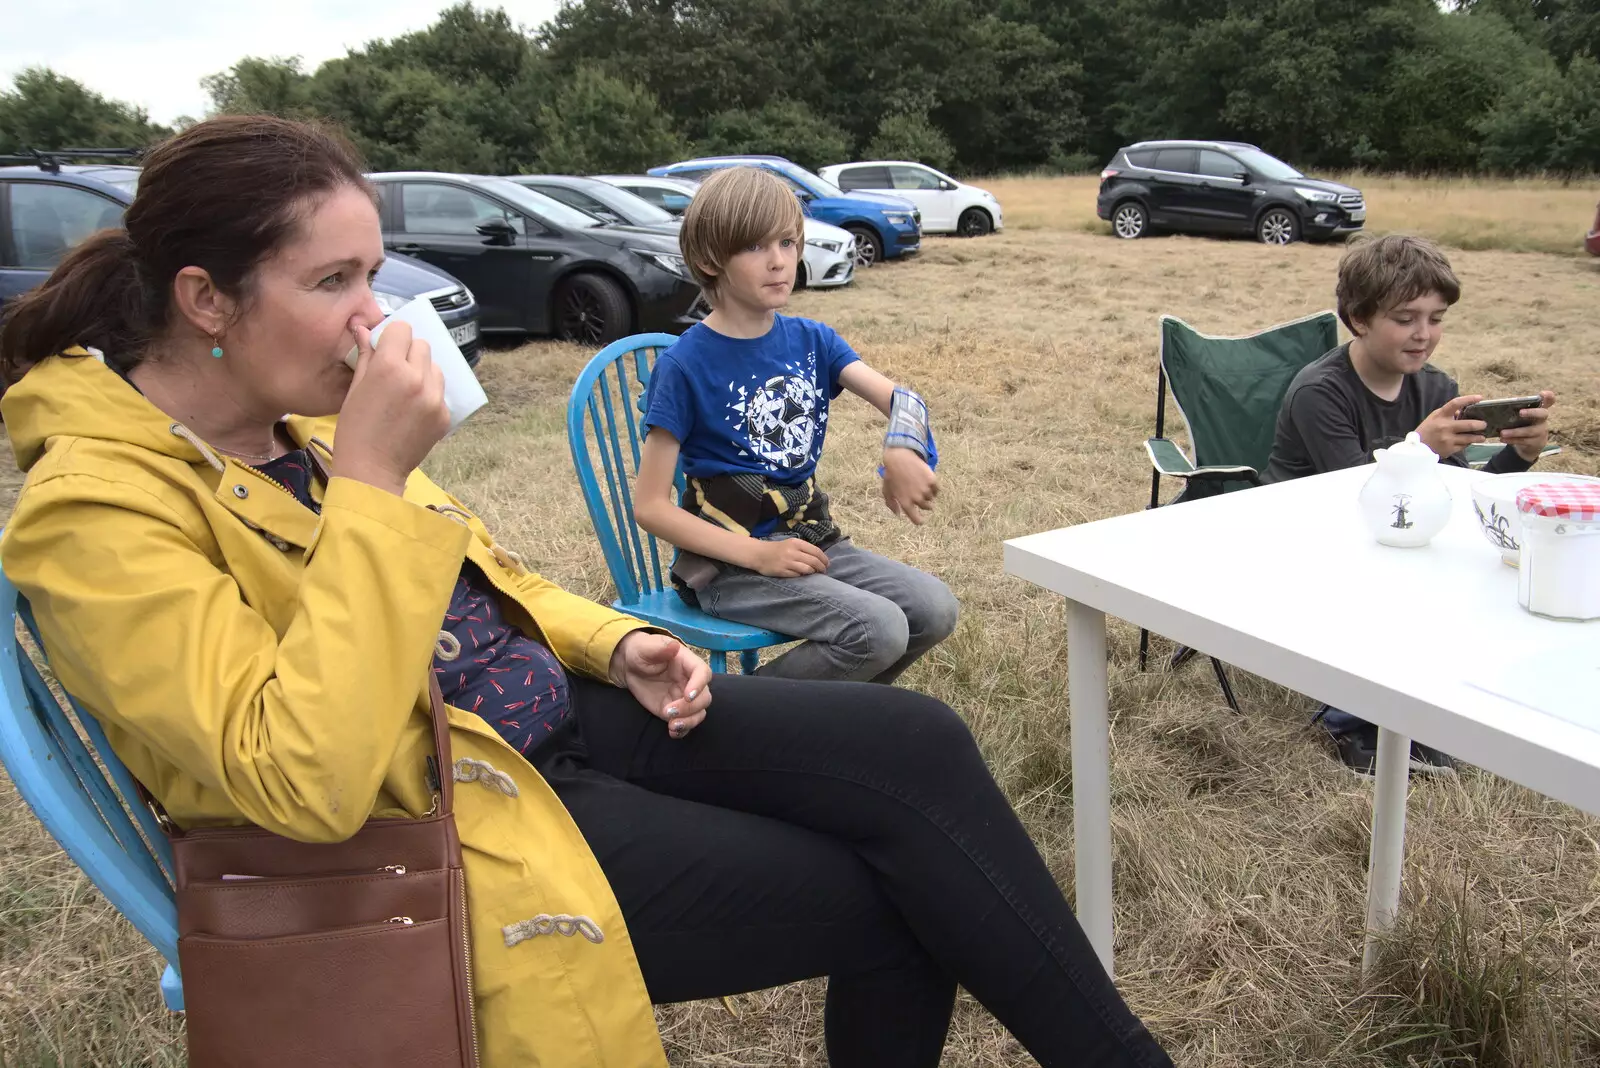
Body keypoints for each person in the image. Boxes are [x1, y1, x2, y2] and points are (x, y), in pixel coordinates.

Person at [0, 116, 1175, 1068]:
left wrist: (618, 645)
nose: (376, 313)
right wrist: (369, 478)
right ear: (207, 300)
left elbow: (486, 585)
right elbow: (300, 779)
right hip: (427, 830)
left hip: (544, 725)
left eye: (373, 272)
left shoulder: (286, 425)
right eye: (335, 280)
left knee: (911, 740)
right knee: (898, 893)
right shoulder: (94, 512)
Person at [632, 166, 957, 683]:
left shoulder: (812, 340)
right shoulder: (684, 366)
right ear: (712, 257)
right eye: (757, 247)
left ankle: (824, 718)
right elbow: (649, 507)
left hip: (811, 540)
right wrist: (758, 554)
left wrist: (901, 448)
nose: (781, 260)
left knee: (933, 609)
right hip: (729, 565)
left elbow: (905, 400)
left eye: (788, 241)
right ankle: (742, 716)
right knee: (878, 630)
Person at [1262, 234, 1555, 775]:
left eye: (1436, 318)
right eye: (1405, 318)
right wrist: (1418, 447)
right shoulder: (1321, 392)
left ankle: (1433, 703)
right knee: (1386, 583)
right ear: (1358, 318)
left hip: (1400, 535)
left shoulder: (1435, 388)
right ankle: (1353, 723)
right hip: (1308, 535)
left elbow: (1458, 496)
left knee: (1476, 567)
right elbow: (1350, 498)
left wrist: (1520, 458)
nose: (1424, 335)